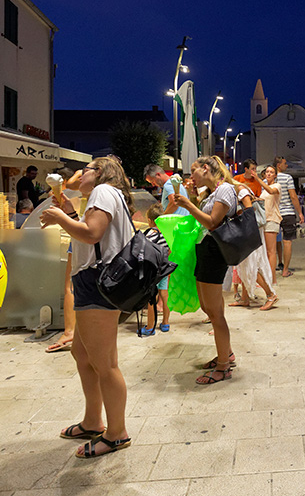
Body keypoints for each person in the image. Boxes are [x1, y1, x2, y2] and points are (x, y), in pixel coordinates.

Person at [40, 157, 135, 458]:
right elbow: (90, 231)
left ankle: (117, 433)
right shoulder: (101, 194)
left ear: (101, 174)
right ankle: (93, 420)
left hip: (98, 282)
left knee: (105, 363)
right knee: (83, 354)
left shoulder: (104, 192)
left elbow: (92, 233)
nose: (80, 174)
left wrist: (59, 218)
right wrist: (68, 210)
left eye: (87, 169)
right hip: (92, 281)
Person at [169, 156, 238, 384]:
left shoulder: (225, 189)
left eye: (193, 171)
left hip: (214, 254)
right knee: (210, 309)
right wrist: (189, 200)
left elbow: (212, 222)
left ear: (205, 168)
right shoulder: (212, 192)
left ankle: (224, 367)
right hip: (205, 252)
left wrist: (188, 205)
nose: (191, 176)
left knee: (215, 313)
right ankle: (224, 354)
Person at [218, 164, 278, 311]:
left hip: (249, 231)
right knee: (243, 265)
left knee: (252, 266)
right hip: (247, 231)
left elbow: (249, 211)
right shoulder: (236, 188)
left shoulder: (240, 189)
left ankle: (270, 295)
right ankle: (245, 298)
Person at [45, 168, 84, 354]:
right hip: (86, 234)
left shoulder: (85, 184)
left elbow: (70, 185)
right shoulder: (111, 188)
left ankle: (70, 331)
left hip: (79, 234)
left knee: (70, 285)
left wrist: (78, 172)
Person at [139, 202, 172, 335]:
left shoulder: (151, 234)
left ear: (150, 220)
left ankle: (149, 327)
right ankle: (165, 323)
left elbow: (145, 250)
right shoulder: (166, 233)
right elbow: (170, 249)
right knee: (164, 296)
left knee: (151, 298)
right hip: (164, 269)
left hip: (153, 270)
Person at [274, 156, 304, 277]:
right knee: (287, 241)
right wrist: (300, 213)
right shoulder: (288, 178)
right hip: (287, 214)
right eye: (285, 163)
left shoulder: (267, 179)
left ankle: (275, 266)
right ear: (278, 165)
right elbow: (293, 196)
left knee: (273, 243)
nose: (287, 166)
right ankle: (285, 270)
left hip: (274, 215)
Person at [258, 165, 282, 287]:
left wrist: (258, 180)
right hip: (263, 220)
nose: (268, 174)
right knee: (265, 251)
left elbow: (271, 191)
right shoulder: (264, 190)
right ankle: (267, 277)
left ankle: (272, 279)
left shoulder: (276, 186)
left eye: (271, 172)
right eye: (267, 172)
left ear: (275, 175)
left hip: (272, 219)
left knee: (271, 252)